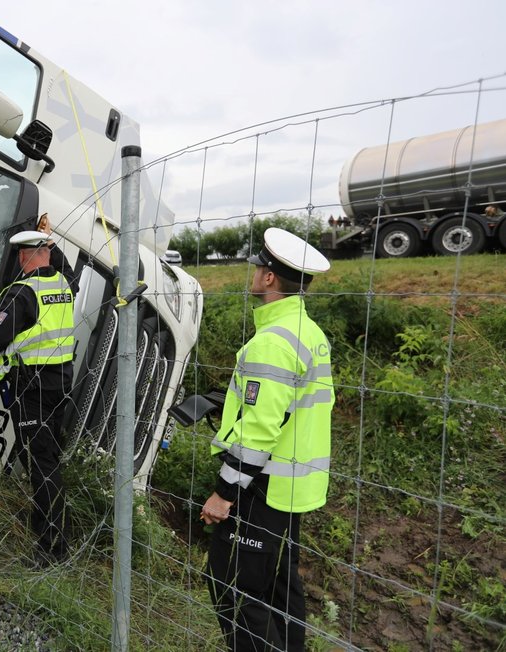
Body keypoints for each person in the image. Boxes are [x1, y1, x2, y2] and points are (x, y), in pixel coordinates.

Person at [201, 227, 335, 651]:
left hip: (262, 488)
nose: (254, 272)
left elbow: (259, 431)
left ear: (269, 279)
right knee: (280, 591)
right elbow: (287, 407)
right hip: (294, 488)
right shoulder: (309, 333)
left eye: (258, 266)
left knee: (233, 590)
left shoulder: (272, 343)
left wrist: (223, 493)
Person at [0, 217, 76, 566]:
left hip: (32, 387)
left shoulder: (21, 293)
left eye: (20, 254)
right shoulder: (64, 284)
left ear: (23, 256)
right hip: (60, 384)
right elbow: (63, 264)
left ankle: (53, 547)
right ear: (46, 252)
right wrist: (51, 241)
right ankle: (50, 532)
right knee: (43, 456)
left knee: (41, 464)